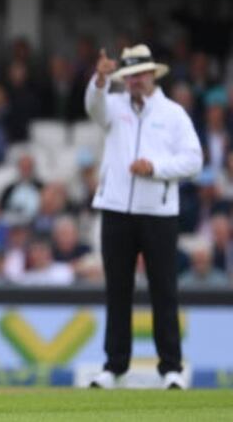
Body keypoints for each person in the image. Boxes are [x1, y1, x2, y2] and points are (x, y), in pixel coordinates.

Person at [85, 44, 202, 390]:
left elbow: (193, 160)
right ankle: (114, 366)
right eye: (129, 75)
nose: (134, 81)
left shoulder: (173, 114)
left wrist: (156, 169)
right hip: (117, 210)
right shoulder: (114, 106)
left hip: (158, 214)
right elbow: (92, 107)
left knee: (164, 290)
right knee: (117, 291)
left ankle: (171, 368)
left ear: (152, 74)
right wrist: (100, 79)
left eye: (139, 74)